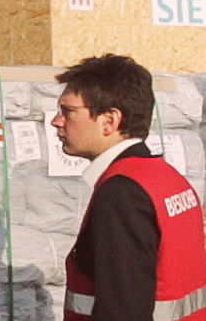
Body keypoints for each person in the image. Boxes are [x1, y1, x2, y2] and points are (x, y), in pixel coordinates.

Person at [51, 54, 206, 321]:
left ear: (110, 121)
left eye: (68, 111)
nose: (57, 121)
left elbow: (123, 311)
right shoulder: (168, 179)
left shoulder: (122, 194)